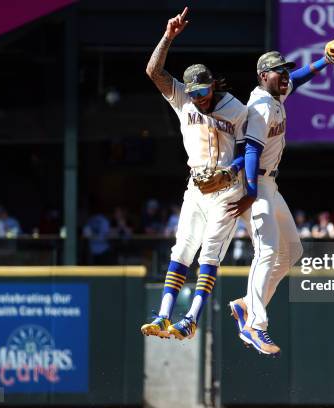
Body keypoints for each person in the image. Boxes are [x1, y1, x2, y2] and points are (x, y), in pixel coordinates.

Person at [226, 48, 334, 355]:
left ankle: (247, 306)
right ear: (263, 76)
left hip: (269, 184)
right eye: (279, 71)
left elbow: (300, 78)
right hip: (254, 185)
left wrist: (326, 62)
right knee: (266, 251)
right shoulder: (261, 105)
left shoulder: (277, 92)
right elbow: (251, 150)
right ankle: (255, 325)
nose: (286, 75)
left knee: (292, 250)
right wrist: (251, 192)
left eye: (285, 70)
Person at [140, 7, 248, 341]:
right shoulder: (183, 100)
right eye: (194, 93)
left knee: (210, 252)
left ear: (213, 85)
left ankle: (191, 318)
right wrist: (167, 37)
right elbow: (153, 71)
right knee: (182, 249)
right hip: (197, 185)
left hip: (228, 189)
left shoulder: (235, 108)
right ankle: (162, 316)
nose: (199, 98)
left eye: (203, 92)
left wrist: (231, 173)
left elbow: (249, 151)